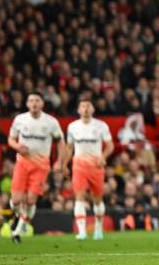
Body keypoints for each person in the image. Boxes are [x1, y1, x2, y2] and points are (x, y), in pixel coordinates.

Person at [7, 91, 66, 243]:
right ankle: (18, 216)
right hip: (22, 163)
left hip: (41, 165)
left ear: (42, 103)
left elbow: (60, 141)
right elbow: (11, 139)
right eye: (31, 100)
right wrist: (18, 147)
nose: (34, 103)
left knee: (31, 200)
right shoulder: (20, 119)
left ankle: (18, 230)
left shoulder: (50, 122)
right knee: (16, 200)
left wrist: (59, 161)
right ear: (27, 104)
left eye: (37, 100)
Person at [66, 99, 114, 240]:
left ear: (93, 109)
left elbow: (110, 145)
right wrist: (64, 164)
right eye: (82, 106)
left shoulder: (101, 126)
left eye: (88, 106)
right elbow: (69, 148)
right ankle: (82, 232)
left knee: (97, 199)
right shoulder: (72, 127)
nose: (85, 109)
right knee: (79, 197)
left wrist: (103, 156)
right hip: (79, 166)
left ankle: (98, 228)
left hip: (96, 166)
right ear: (78, 110)